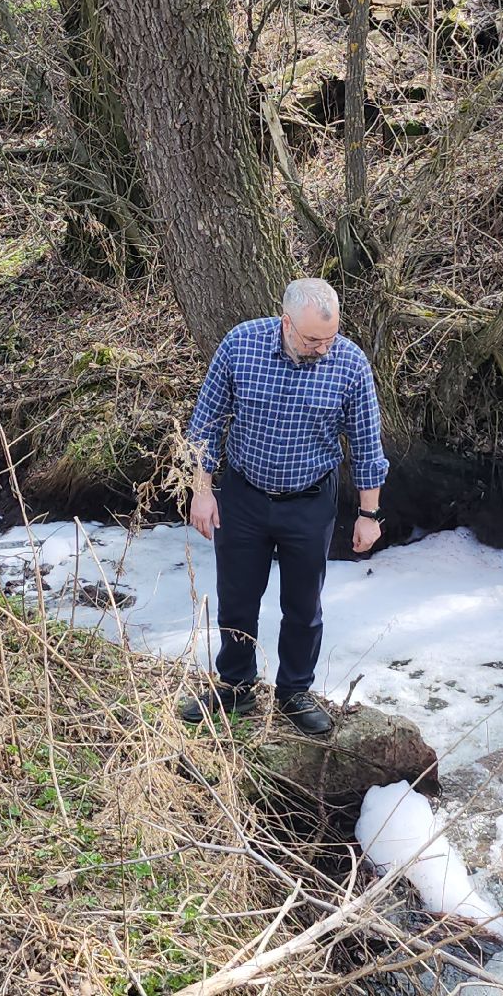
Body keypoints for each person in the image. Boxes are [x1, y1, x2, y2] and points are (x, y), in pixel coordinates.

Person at [180, 277, 389, 735]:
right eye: (313, 339)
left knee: (302, 605)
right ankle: (235, 685)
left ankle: (294, 690)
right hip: (244, 494)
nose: (322, 349)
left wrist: (369, 514)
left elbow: (367, 445)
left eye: (329, 339)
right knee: (237, 599)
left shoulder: (350, 363)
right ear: (286, 323)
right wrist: (201, 489)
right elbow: (206, 422)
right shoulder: (242, 344)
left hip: (309, 500)